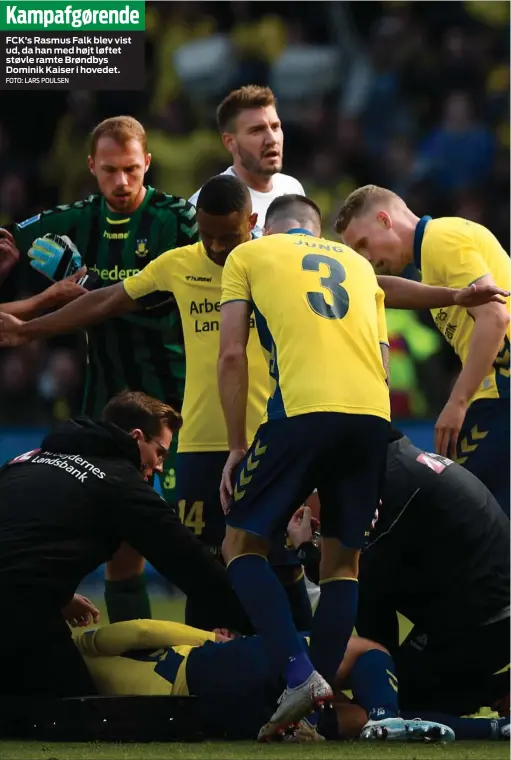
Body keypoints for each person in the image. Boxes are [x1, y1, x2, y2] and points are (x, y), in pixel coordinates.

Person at [0, 175, 312, 633]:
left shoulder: (278, 262)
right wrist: (29, 329)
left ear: (253, 222)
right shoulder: (180, 263)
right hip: (202, 442)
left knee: (282, 562)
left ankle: (311, 677)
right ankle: (206, 685)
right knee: (203, 567)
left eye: (229, 237)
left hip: (270, 434)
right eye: (206, 236)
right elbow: (107, 300)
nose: (216, 248)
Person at [0, 115, 200, 624]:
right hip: (108, 408)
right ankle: (138, 654)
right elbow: (12, 238)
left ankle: (215, 650)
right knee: (119, 540)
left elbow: (141, 300)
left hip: (182, 403)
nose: (121, 182)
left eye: (131, 169)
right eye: (109, 170)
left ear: (148, 164)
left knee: (201, 532)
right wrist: (7, 256)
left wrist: (53, 303)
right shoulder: (75, 218)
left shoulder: (178, 218)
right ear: (91, 166)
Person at [217, 192, 392, 739]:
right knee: (342, 565)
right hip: (371, 416)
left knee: (240, 545)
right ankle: (317, 708)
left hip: (302, 411)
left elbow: (230, 354)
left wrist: (237, 444)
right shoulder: (360, 265)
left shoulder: (248, 256)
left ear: (267, 229)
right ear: (318, 232)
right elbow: (383, 362)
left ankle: (299, 675)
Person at [0, 390, 249, 700]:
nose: (160, 467)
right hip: (20, 610)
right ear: (136, 437)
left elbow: (24, 538)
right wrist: (261, 626)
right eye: (160, 452)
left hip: (25, 597)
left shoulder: (29, 459)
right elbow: (194, 567)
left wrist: (57, 593)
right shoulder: (121, 484)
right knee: (71, 708)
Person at [288, 429, 510, 731]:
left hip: (480, 621)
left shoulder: (385, 484)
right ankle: (496, 688)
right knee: (383, 676)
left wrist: (306, 552)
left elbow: (353, 577)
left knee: (389, 700)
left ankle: (496, 719)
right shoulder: (393, 465)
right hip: (478, 612)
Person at [336, 185, 511, 514]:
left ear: (385, 220)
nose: (367, 259)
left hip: (503, 394)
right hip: (496, 395)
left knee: (466, 516)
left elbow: (494, 315)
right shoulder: (429, 267)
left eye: (363, 245)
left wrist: (458, 401)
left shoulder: (439, 238)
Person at [73, 617, 457, 744]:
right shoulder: (85, 645)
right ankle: (385, 713)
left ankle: (490, 728)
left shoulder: (70, 689)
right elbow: (141, 631)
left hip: (214, 718)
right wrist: (214, 639)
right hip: (213, 667)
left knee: (355, 720)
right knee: (365, 651)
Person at [188, 86, 304, 237]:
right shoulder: (206, 204)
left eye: (275, 127)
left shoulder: (292, 188)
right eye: (257, 130)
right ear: (230, 142)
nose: (272, 139)